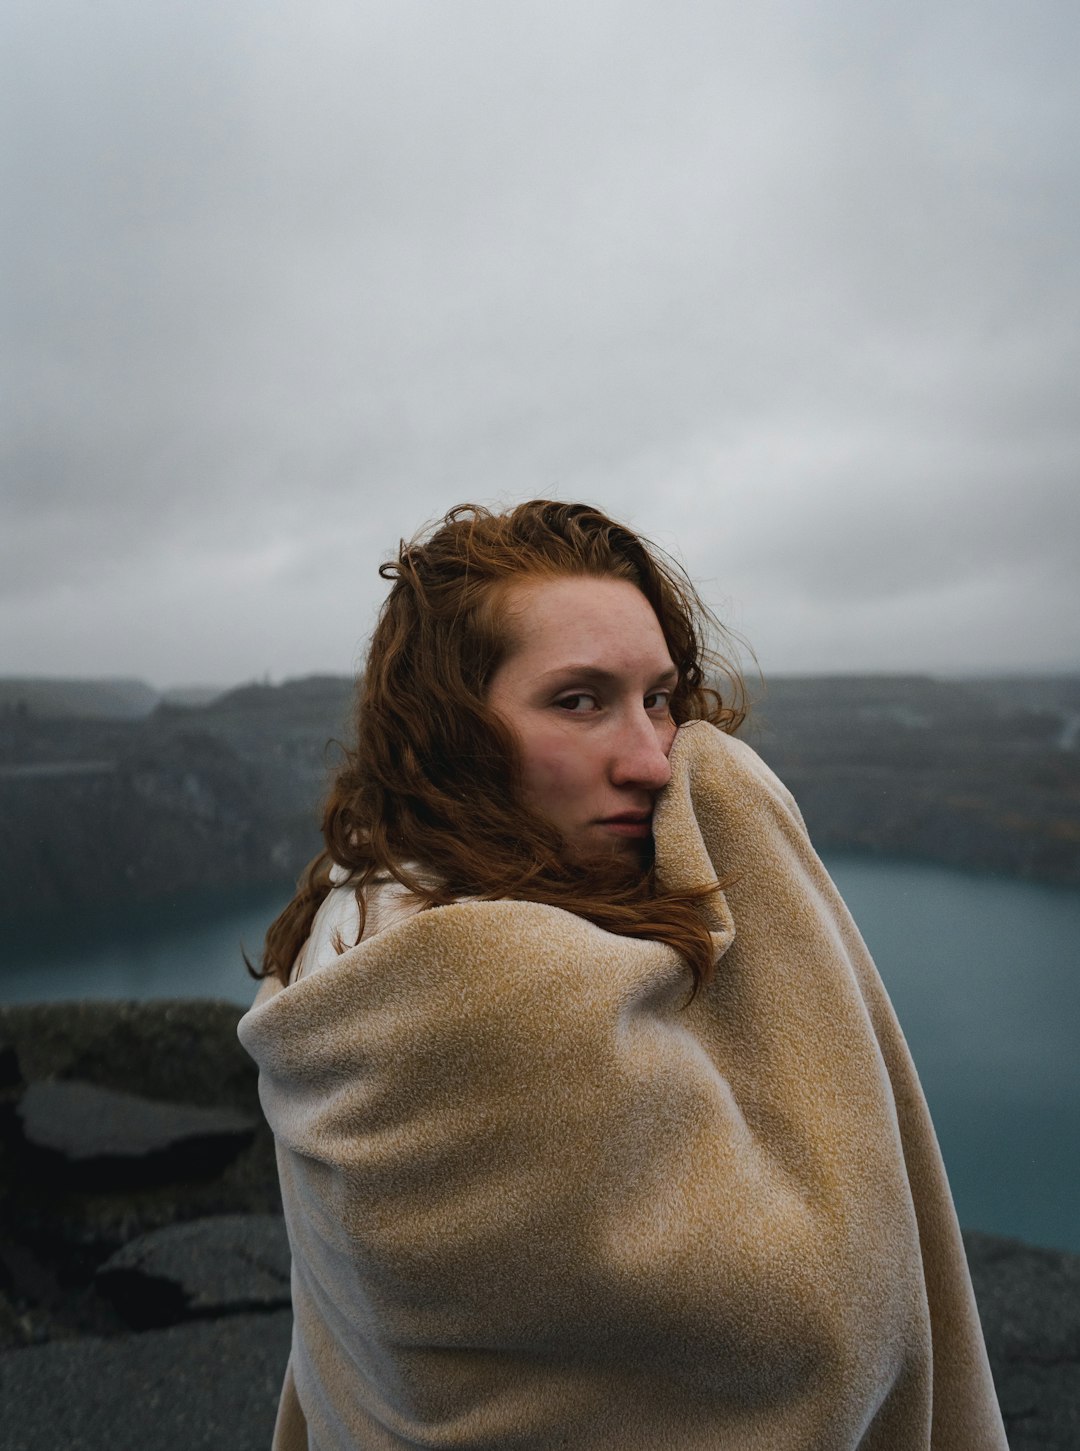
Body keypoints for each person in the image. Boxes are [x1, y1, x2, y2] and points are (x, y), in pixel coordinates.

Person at [239, 500, 1007, 1451]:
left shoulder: (351, 914)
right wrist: (736, 806)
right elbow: (840, 1335)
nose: (656, 759)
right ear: (446, 730)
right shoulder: (485, 991)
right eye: (579, 700)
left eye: (662, 698)